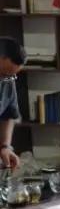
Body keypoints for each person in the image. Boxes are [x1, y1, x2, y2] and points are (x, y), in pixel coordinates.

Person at [0, 37, 26, 169]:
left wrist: (5, 146)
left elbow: (9, 114)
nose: (6, 79)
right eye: (3, 73)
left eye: (11, 75)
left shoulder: (8, 81)